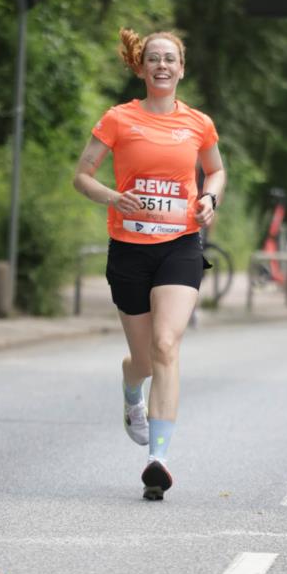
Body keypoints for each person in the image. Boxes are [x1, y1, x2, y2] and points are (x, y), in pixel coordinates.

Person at [73, 28, 226, 500]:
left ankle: (157, 458)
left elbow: (216, 170)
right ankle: (129, 388)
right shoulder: (119, 119)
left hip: (180, 244)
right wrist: (114, 197)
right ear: (141, 69)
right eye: (153, 58)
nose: (162, 65)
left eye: (170, 59)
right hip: (129, 250)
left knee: (166, 344)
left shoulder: (198, 123)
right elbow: (81, 176)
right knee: (142, 359)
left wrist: (209, 199)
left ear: (182, 69)